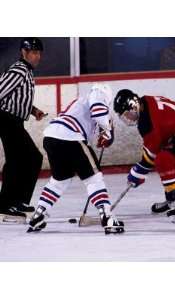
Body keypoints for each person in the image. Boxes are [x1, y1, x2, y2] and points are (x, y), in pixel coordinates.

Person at [27, 83, 124, 234]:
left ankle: (39, 214)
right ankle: (107, 217)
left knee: (60, 180)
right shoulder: (98, 94)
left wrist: (103, 133)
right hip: (70, 137)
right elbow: (99, 113)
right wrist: (108, 130)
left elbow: (92, 128)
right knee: (94, 178)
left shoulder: (81, 102)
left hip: (51, 137)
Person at [113, 89, 175, 222]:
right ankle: (170, 199)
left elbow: (150, 157)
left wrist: (137, 172)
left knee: (163, 160)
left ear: (134, 106)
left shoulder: (147, 123)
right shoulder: (145, 100)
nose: (127, 119)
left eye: (127, 114)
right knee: (163, 157)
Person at [0, 37, 46, 223]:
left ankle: (17, 201)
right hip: (6, 119)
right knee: (20, 160)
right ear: (24, 52)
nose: (37, 56)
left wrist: (33, 110)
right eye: (33, 52)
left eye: (39, 53)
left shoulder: (26, 71)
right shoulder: (19, 70)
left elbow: (18, 97)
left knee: (28, 158)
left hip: (14, 120)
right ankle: (5, 205)